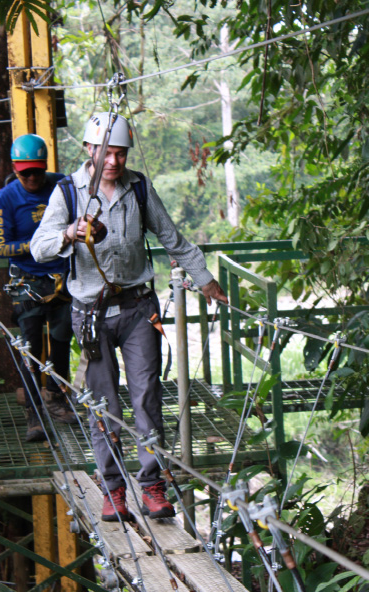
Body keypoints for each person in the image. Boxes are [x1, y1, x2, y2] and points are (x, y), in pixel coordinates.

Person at [30, 112, 228, 521]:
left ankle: (152, 485)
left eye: (121, 154)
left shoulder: (138, 188)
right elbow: (39, 247)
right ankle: (112, 488)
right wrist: (70, 232)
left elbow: (173, 237)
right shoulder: (68, 192)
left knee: (147, 397)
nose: (114, 162)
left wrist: (206, 280)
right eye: (107, 154)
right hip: (92, 312)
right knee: (103, 404)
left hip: (139, 308)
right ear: (89, 150)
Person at [0, 133, 77, 443]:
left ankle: (56, 396)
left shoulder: (62, 186)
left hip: (63, 278)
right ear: (15, 169)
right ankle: (33, 411)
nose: (31, 178)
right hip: (27, 280)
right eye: (24, 172)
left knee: (62, 339)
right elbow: (0, 246)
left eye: (36, 171)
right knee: (31, 347)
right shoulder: (6, 198)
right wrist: (42, 246)